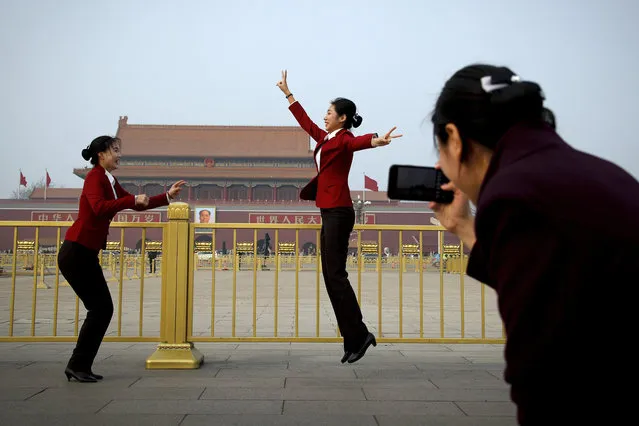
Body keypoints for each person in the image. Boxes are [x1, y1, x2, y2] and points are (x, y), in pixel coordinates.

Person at [428, 64, 638, 424]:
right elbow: (554, 278)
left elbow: (543, 380)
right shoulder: (606, 173)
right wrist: (464, 228)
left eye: (441, 148)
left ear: (455, 137)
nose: (439, 163)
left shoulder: (514, 194)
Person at [276, 70, 402, 364]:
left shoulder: (344, 139)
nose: (325, 116)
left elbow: (358, 142)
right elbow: (305, 122)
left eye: (330, 112)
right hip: (329, 210)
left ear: (342, 117)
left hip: (339, 212)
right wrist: (288, 93)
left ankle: (359, 335)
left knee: (336, 274)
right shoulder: (326, 138)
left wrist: (376, 140)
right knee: (330, 276)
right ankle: (353, 338)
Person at [58, 135, 186, 383]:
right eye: (115, 150)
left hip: (84, 251)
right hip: (76, 251)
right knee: (101, 308)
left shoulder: (109, 179)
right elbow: (98, 207)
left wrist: (167, 196)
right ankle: (78, 364)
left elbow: (137, 204)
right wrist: (129, 200)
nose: (120, 154)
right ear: (101, 155)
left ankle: (79, 365)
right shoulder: (95, 177)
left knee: (101, 308)